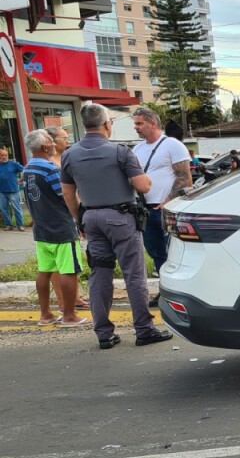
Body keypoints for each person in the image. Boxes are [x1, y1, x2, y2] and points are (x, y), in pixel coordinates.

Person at [60, 102, 172, 350]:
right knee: (134, 274)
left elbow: (68, 194)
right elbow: (143, 186)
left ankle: (104, 334)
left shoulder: (69, 154)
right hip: (121, 218)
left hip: (91, 218)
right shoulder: (120, 152)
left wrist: (80, 219)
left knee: (100, 272)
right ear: (107, 124)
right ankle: (144, 330)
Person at [23, 130, 87, 327]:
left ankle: (45, 314)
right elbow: (66, 196)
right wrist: (80, 218)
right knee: (69, 270)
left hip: (41, 229)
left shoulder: (27, 169)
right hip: (60, 227)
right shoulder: (50, 169)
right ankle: (69, 315)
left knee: (45, 271)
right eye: (51, 141)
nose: (53, 145)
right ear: (44, 147)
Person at [132, 106, 192, 307]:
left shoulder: (172, 145)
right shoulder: (138, 149)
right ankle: (165, 291)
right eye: (135, 123)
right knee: (156, 252)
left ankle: (181, 292)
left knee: (174, 252)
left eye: (140, 123)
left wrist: (168, 202)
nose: (136, 128)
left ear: (153, 123)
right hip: (146, 209)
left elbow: (185, 177)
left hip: (168, 210)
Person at [0, 147, 25, 231]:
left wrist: (21, 179)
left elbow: (24, 170)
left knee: (17, 208)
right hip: (1, 191)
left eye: (5, 155)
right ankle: (9, 225)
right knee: (4, 209)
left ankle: (20, 225)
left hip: (13, 190)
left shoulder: (13, 164)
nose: (4, 157)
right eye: (2, 155)